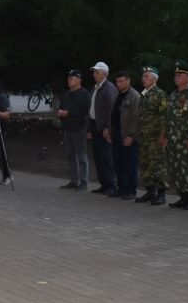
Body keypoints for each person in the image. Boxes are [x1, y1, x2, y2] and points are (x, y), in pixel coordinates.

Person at [164, 60, 188, 210]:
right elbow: (169, 117)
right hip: (174, 140)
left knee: (187, 169)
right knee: (176, 169)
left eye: (179, 75)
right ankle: (182, 197)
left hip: (186, 140)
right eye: (176, 75)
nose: (176, 78)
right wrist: (166, 135)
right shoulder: (174, 94)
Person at [136, 66, 169, 205]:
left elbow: (165, 118)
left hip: (155, 138)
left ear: (154, 79)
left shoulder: (160, 95)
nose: (143, 79)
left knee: (157, 165)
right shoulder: (144, 94)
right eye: (143, 76)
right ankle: (150, 191)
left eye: (146, 76)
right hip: (144, 137)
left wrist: (162, 136)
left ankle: (161, 194)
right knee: (145, 165)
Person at [87, 62, 118, 196]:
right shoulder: (95, 88)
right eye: (94, 72)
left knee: (106, 156)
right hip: (95, 125)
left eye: (97, 72)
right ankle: (104, 184)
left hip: (103, 127)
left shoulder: (108, 88)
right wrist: (89, 128)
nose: (94, 74)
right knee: (98, 156)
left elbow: (111, 110)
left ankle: (111, 185)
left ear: (104, 74)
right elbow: (91, 109)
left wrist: (107, 127)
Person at [109, 71, 142, 200]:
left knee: (130, 163)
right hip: (117, 133)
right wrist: (110, 131)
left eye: (122, 81)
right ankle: (121, 188)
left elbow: (136, 118)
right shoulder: (118, 95)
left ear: (128, 80)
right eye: (117, 81)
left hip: (128, 135)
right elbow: (112, 114)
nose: (119, 84)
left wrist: (130, 135)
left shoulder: (134, 96)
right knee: (118, 162)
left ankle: (131, 190)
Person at [57, 69, 91, 191]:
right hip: (67, 129)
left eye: (72, 78)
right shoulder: (66, 94)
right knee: (70, 155)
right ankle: (74, 180)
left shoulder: (84, 94)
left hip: (79, 128)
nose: (69, 80)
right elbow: (61, 108)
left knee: (81, 156)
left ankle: (84, 181)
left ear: (79, 80)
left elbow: (84, 111)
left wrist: (68, 113)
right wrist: (60, 112)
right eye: (68, 78)